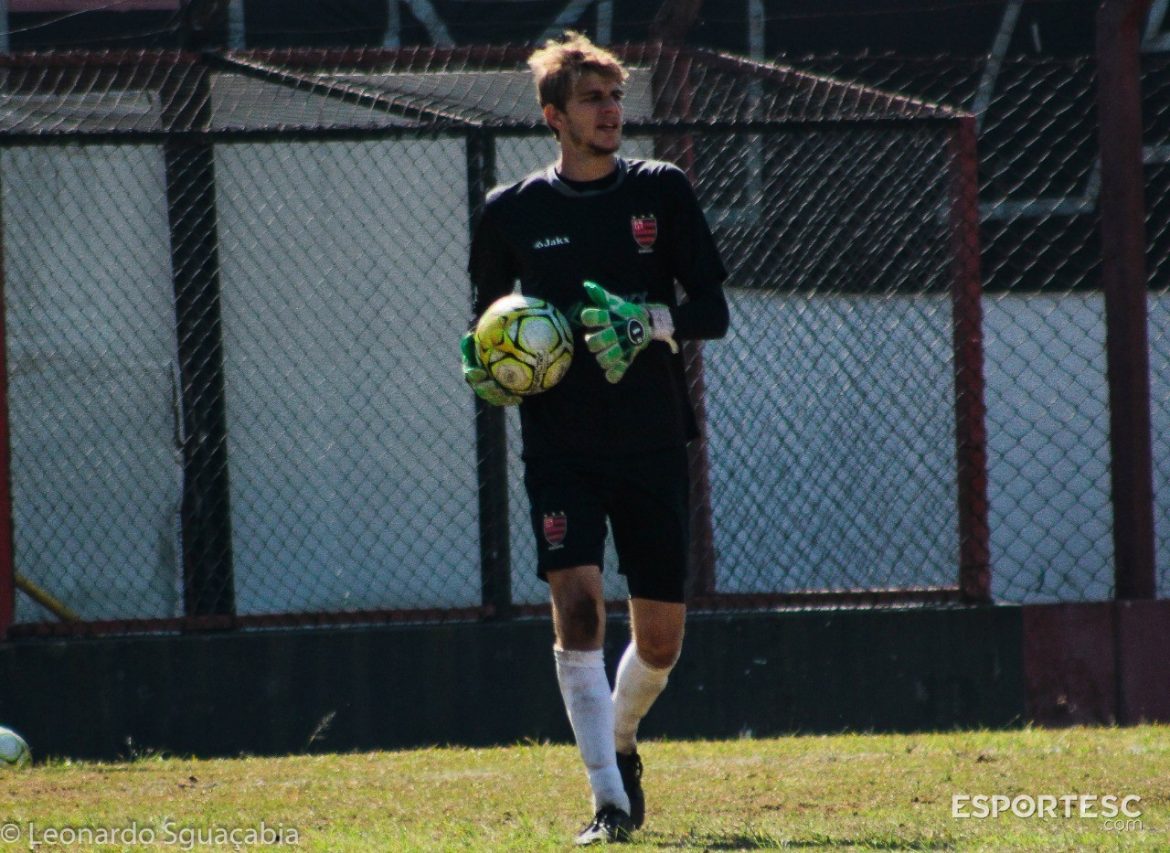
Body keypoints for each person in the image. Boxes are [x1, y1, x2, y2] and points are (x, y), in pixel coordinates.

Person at [462, 31, 729, 846]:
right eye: (593, 100)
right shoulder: (511, 211)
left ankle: (619, 735)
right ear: (555, 116)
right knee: (578, 610)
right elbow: (486, 324)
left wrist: (645, 321)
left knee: (660, 642)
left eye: (617, 98)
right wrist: (489, 364)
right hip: (561, 445)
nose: (612, 112)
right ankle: (609, 802)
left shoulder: (662, 191)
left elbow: (710, 311)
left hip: (651, 438)